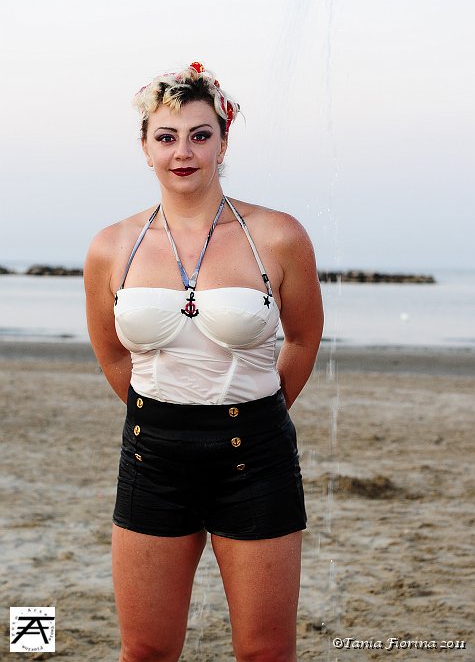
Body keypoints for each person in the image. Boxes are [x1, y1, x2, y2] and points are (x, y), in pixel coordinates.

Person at [84, 61, 324, 662]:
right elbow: (112, 353)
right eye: (166, 137)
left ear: (223, 141)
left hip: (256, 457)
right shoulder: (112, 246)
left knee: (266, 653)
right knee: (146, 650)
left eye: (199, 135)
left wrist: (253, 411)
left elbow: (302, 339)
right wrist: (171, 414)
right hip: (152, 456)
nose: (183, 152)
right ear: (145, 147)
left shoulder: (278, 236)